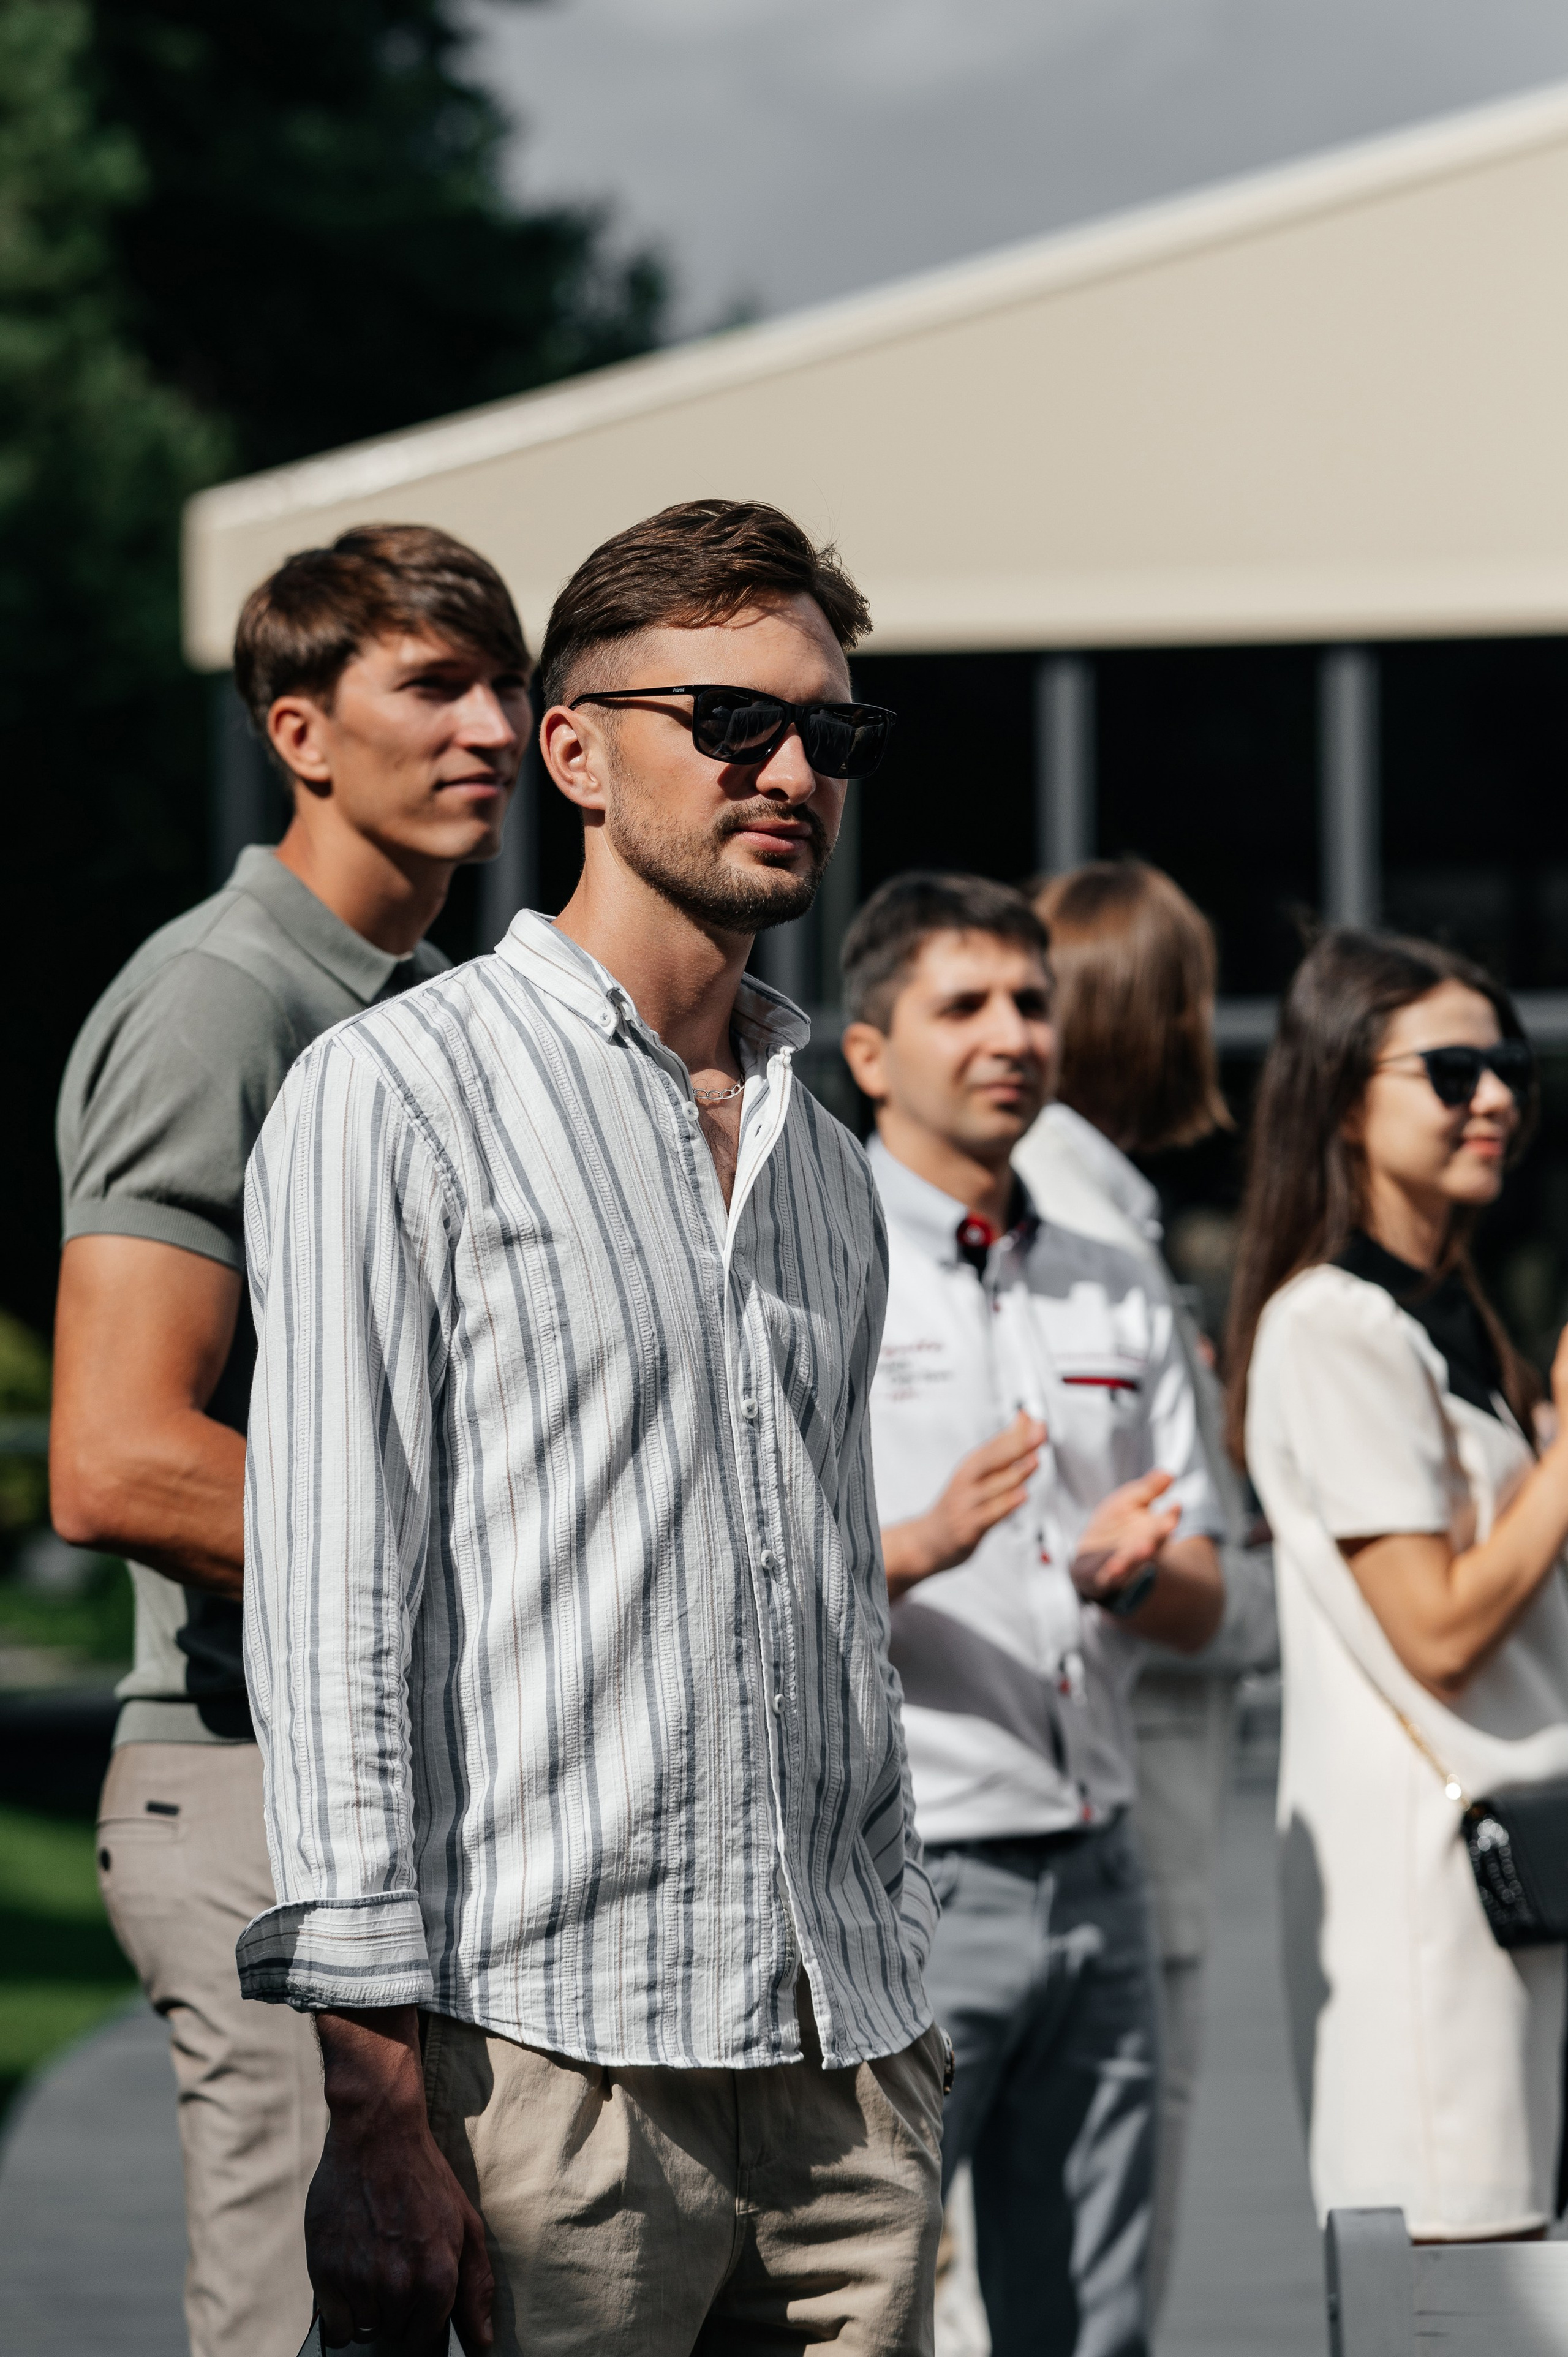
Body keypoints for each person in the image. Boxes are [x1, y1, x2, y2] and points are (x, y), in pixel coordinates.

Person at [237, 499, 946, 2357]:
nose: (791, 768)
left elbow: (835, 1606)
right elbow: (330, 1613)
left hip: (843, 2074)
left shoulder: (830, 1164)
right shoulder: (393, 1093)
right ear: (575, 750)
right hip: (543, 2074)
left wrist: (902, 1994)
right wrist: (374, 2100)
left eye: (830, 734)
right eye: (730, 722)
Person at [50, 522, 532, 2357]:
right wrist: (518, 1569)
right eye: (436, 683)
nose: (492, 725)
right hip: (250, 1785)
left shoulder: (427, 1019)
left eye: (508, 684)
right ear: (300, 730)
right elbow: (115, 1455)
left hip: (412, 1787)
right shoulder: (223, 999)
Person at [840, 870, 1225, 2357]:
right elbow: (736, 1578)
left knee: (1092, 2328)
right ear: (870, 1052)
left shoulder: (1114, 1283)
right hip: (905, 1879)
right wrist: (923, 1542)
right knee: (872, 2318)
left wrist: (1138, 1572)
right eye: (964, 1005)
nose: (1011, 1033)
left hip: (1099, 1875)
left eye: (1029, 1001)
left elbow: (1205, 1603)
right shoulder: (813, 1266)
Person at [1227, 927, 1568, 2239]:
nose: (1490, 1097)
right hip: (1432, 1900)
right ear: (1338, 1093)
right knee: (1454, 2282)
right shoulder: (1331, 1323)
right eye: (1449, 1070)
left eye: (1507, 1068)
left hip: (1508, 1872)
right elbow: (1435, 1626)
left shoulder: (1448, 1309)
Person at [1012, 859, 1278, 2310]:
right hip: (1117, 1803)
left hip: (1070, 1805)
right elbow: (1170, 1568)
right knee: (1095, 2267)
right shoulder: (1085, 1229)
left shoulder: (1070, 1204)